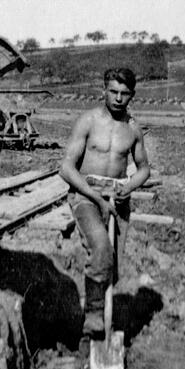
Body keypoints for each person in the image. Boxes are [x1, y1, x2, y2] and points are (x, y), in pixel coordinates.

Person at [59, 68, 150, 338]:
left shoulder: (133, 129)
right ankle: (94, 322)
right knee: (100, 249)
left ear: (132, 95)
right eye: (113, 92)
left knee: (114, 268)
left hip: (118, 197)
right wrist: (96, 197)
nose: (118, 98)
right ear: (104, 90)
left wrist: (128, 187)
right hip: (87, 194)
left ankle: (98, 310)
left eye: (124, 93)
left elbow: (144, 169)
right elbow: (66, 168)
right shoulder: (88, 121)